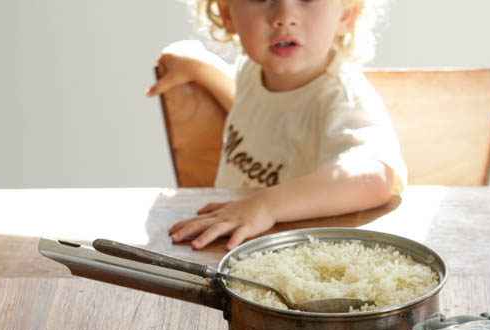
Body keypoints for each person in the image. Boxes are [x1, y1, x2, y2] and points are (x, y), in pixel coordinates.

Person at [146, 0, 405, 250]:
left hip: (301, 260)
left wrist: (265, 205)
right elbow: (262, 112)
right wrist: (202, 68)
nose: (284, 16)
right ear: (227, 15)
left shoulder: (341, 97)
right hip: (239, 245)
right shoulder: (252, 73)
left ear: (345, 15)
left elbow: (375, 179)